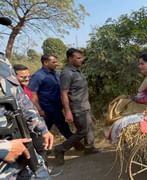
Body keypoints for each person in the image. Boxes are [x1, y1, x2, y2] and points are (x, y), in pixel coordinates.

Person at [0, 40, 53, 179]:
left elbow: (21, 100)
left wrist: (42, 129)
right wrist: (3, 148)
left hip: (25, 153)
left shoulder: (3, 61)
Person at [54, 48, 99, 166]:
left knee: (89, 127)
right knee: (83, 130)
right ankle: (61, 149)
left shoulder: (77, 71)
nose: (81, 60)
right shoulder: (67, 73)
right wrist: (68, 111)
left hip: (84, 105)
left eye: (81, 57)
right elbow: (63, 93)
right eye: (78, 58)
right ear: (70, 59)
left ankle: (89, 147)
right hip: (77, 108)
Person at [28, 55, 74, 141]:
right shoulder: (38, 76)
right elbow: (32, 93)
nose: (56, 64)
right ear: (45, 62)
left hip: (57, 107)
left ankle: (40, 147)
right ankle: (76, 144)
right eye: (53, 62)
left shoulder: (56, 74)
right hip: (47, 108)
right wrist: (39, 109)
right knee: (63, 127)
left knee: (44, 130)